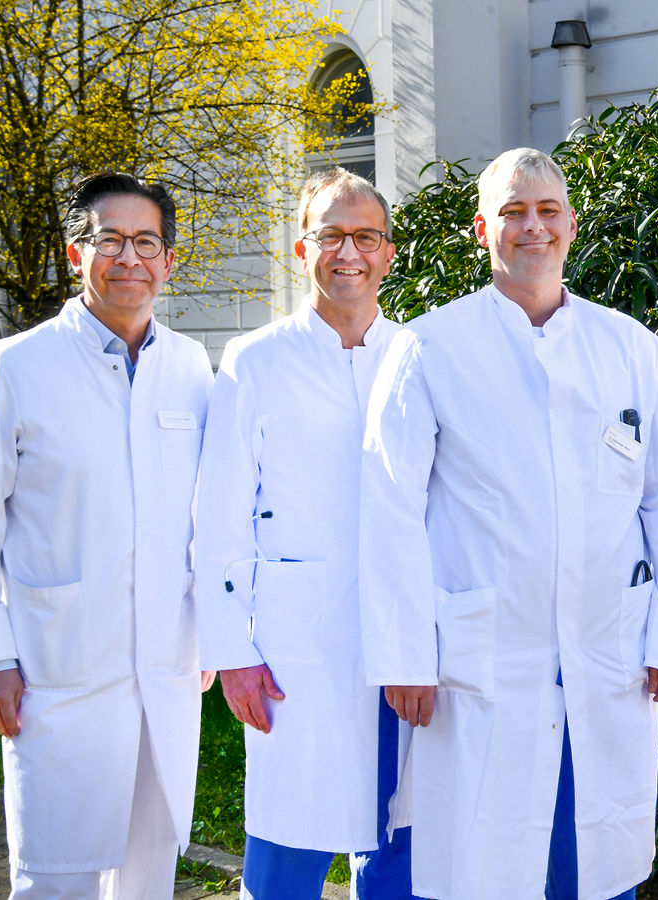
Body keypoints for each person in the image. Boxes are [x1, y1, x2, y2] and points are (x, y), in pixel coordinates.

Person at [358, 147, 658, 900]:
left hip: (607, 655)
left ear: (572, 225)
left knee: (596, 866)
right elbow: (388, 509)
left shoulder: (630, 348)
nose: (531, 227)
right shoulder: (428, 346)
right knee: (485, 867)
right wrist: (405, 652)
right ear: (482, 229)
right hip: (480, 663)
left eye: (546, 211)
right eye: (513, 212)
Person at [0, 172, 213, 899]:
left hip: (166, 668)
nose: (129, 258)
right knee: (56, 877)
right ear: (73, 253)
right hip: (55, 670)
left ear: (170, 259)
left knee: (148, 874)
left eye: (146, 242)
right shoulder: (16, 367)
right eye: (109, 240)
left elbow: (208, 516)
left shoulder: (190, 369)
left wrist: (215, 632)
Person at [194, 168, 416, 899]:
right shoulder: (255, 361)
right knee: (287, 853)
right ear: (301, 248)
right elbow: (218, 519)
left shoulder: (419, 358)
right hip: (297, 648)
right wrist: (232, 652)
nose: (348, 252)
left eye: (365, 237)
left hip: (403, 645)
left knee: (400, 841)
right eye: (331, 235)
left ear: (388, 254)